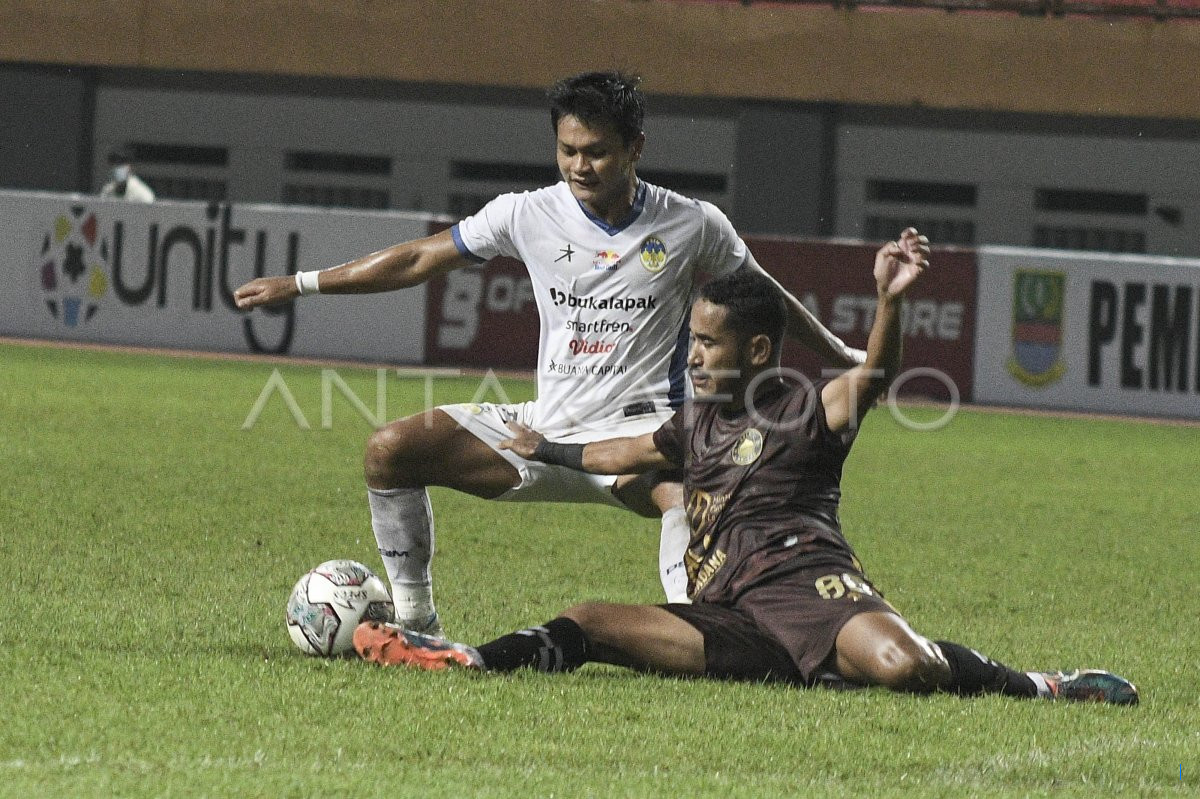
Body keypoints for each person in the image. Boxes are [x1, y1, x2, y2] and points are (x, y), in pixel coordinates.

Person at [351, 229, 1139, 706]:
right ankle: (466, 659)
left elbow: (876, 377)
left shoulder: (809, 407)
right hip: (724, 609)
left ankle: (1044, 684)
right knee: (591, 621)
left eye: (707, 344)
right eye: (690, 341)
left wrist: (889, 304)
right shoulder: (691, 421)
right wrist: (540, 448)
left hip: (809, 590)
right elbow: (609, 454)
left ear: (757, 349)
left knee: (906, 667)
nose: (692, 355)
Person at [234, 71, 863, 634]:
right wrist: (300, 283)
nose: (579, 166)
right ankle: (416, 619)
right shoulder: (526, 214)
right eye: (567, 151)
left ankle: (697, 633)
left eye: (596, 152)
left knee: (686, 498)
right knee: (390, 450)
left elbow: (764, 300)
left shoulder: (691, 224)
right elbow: (421, 257)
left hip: (642, 436)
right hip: (543, 430)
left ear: (634, 148)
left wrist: (840, 352)